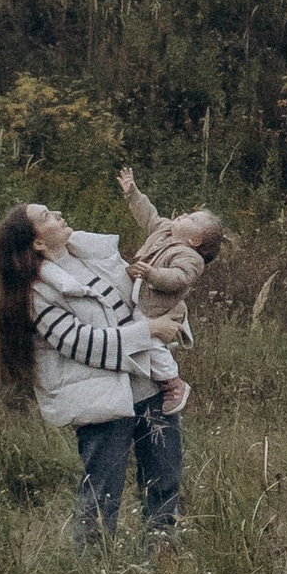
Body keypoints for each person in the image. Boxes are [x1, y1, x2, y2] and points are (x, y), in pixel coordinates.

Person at [0, 201, 187, 545]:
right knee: (102, 494)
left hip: (150, 389)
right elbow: (82, 344)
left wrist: (169, 315)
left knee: (164, 480)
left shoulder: (95, 256)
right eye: (46, 216)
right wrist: (151, 331)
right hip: (102, 401)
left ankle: (162, 559)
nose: (58, 214)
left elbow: (143, 300)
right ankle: (94, 572)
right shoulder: (38, 292)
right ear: (37, 242)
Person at [113, 167, 225, 411]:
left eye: (192, 220)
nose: (184, 214)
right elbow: (147, 215)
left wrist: (153, 274)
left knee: (147, 339)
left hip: (156, 308)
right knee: (135, 335)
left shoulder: (189, 257)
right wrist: (132, 192)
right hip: (141, 297)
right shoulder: (164, 230)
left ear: (195, 241)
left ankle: (174, 383)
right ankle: (149, 376)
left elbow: (179, 278)